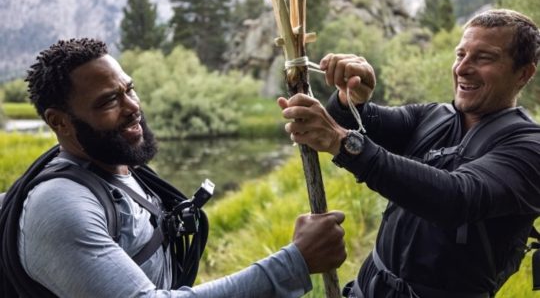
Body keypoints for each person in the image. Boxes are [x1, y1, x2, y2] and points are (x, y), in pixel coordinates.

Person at [0, 38, 346, 298]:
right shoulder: (59, 206)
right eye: (109, 101)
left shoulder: (116, 164)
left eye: (129, 89)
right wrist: (295, 262)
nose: (133, 107)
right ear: (59, 122)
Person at [278, 9, 540, 298]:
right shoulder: (433, 116)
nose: (462, 68)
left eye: (484, 57)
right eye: (460, 55)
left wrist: (343, 143)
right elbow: (357, 122)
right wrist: (349, 98)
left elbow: (455, 198)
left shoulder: (528, 148)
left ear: (524, 73)